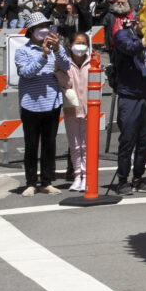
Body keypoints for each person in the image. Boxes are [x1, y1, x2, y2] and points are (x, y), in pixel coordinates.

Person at [15, 12, 70, 195]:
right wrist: (43, 55)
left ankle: (46, 181)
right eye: (40, 27)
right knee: (31, 145)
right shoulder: (22, 51)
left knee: (49, 144)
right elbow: (26, 73)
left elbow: (66, 66)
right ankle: (31, 182)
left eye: (47, 26)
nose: (44, 30)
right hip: (30, 104)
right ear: (31, 30)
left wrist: (58, 49)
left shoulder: (55, 49)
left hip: (52, 103)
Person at [111, 14, 146, 194]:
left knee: (145, 140)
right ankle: (122, 179)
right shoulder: (123, 35)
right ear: (138, 21)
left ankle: (139, 177)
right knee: (127, 139)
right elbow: (129, 48)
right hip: (129, 95)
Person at [56, 32, 92, 191]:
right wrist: (58, 72)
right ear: (70, 45)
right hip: (71, 109)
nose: (81, 46)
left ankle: (87, 175)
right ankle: (77, 175)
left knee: (87, 145)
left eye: (84, 43)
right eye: (78, 42)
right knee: (75, 145)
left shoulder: (93, 62)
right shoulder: (65, 64)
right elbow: (66, 83)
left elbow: (99, 83)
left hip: (90, 110)